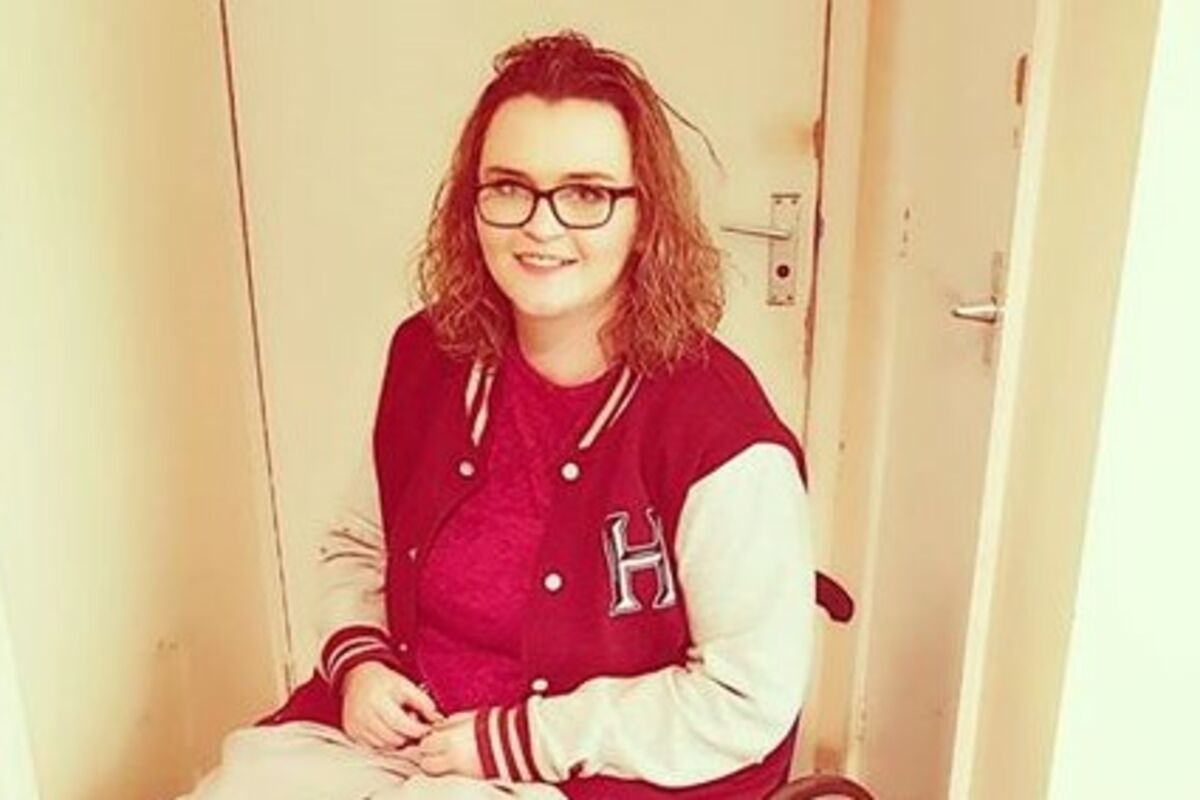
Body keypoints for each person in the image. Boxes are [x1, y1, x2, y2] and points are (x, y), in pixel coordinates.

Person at [183, 30, 813, 800]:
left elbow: (745, 697)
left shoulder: (719, 429)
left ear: (645, 218)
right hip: (408, 742)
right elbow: (359, 544)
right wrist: (361, 663)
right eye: (510, 187)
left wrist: (515, 740)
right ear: (471, 203)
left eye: (586, 193)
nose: (540, 226)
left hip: (592, 770)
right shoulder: (431, 356)